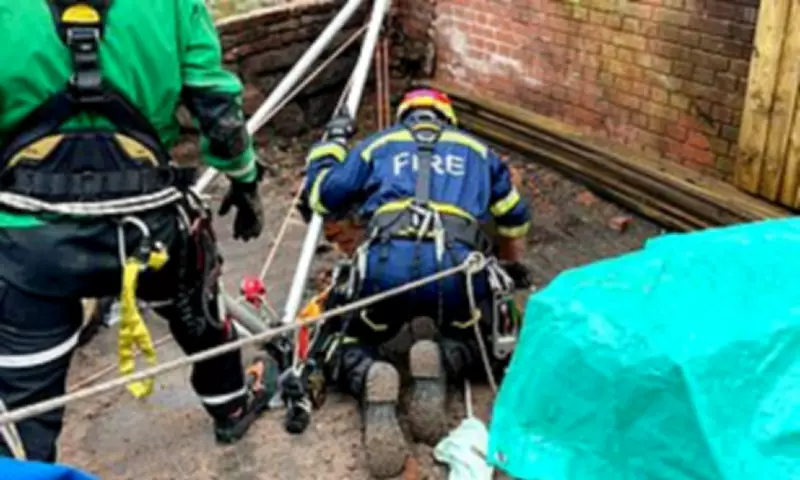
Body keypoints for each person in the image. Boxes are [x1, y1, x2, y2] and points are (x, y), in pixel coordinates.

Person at [0, 0, 275, 462]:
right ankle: (230, 408)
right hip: (149, 233)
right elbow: (219, 113)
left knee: (23, 397)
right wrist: (245, 180)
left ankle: (23, 467)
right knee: (200, 317)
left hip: (31, 241)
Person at [298, 88, 533, 478]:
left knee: (341, 337)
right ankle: (445, 358)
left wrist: (332, 146)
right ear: (448, 117)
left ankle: (368, 376)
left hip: (384, 270)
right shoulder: (478, 151)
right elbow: (516, 219)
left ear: (405, 115)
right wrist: (506, 267)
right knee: (496, 343)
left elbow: (322, 196)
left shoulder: (380, 144)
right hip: (456, 274)